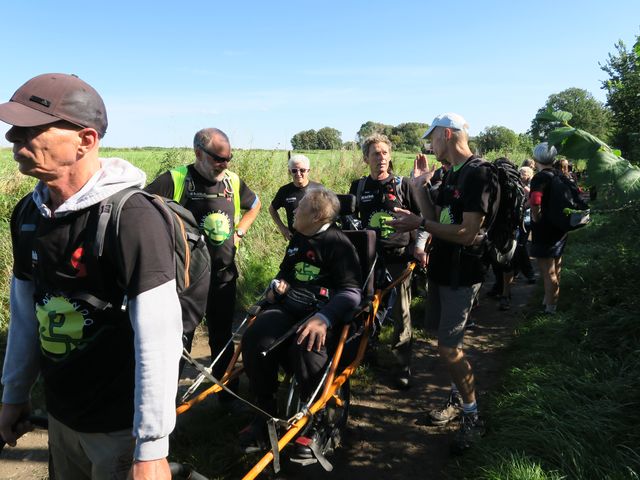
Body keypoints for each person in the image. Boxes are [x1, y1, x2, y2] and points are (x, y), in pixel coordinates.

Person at [0, 73, 182, 479]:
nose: (13, 137)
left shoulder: (132, 217)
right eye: (13, 127)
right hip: (61, 417)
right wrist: (14, 394)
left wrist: (152, 448)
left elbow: (160, 336)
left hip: (119, 428)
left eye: (30, 128)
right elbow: (25, 314)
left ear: (85, 140)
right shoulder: (28, 215)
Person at [389, 113, 489, 453]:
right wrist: (418, 189)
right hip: (443, 271)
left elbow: (467, 232)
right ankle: (457, 398)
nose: (429, 146)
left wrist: (420, 222)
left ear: (447, 135)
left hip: (464, 274)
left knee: (449, 347)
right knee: (445, 344)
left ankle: (473, 415)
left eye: (432, 139)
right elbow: (435, 220)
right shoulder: (449, 175)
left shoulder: (477, 174)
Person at [240, 187, 362, 450]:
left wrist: (324, 317)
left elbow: (352, 292)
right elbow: (284, 273)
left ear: (317, 216)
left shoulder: (338, 244)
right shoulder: (297, 239)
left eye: (302, 207)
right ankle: (265, 412)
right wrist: (277, 286)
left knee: (307, 346)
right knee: (254, 338)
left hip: (321, 314)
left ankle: (318, 422)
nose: (294, 209)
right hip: (288, 308)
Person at [146, 128, 261, 402]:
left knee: (221, 337)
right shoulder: (176, 179)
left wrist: (240, 232)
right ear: (199, 153)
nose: (225, 164)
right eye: (219, 159)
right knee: (180, 339)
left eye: (229, 158)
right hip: (186, 281)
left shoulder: (232, 181)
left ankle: (226, 395)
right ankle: (166, 403)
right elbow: (141, 212)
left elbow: (255, 205)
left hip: (223, 275)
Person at [349, 133, 435, 390]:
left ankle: (402, 366)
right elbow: (350, 222)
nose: (381, 158)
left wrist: (419, 247)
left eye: (385, 153)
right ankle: (368, 352)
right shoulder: (359, 187)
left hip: (399, 258)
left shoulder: (403, 185)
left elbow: (424, 221)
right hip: (369, 260)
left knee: (401, 314)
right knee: (366, 308)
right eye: (375, 154)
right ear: (366, 158)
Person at [529, 142, 566, 315]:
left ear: (536, 158)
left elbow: (536, 200)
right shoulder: (560, 175)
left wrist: (536, 218)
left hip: (545, 230)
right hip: (560, 226)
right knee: (557, 266)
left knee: (547, 271)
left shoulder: (540, 177)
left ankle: (550, 310)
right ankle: (550, 299)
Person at [269, 153, 322, 240]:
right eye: (294, 170)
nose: (298, 173)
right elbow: (272, 209)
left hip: (317, 239)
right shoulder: (284, 191)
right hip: (295, 239)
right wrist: (283, 229)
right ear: (290, 172)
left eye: (302, 170)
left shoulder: (319, 189)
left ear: (308, 171)